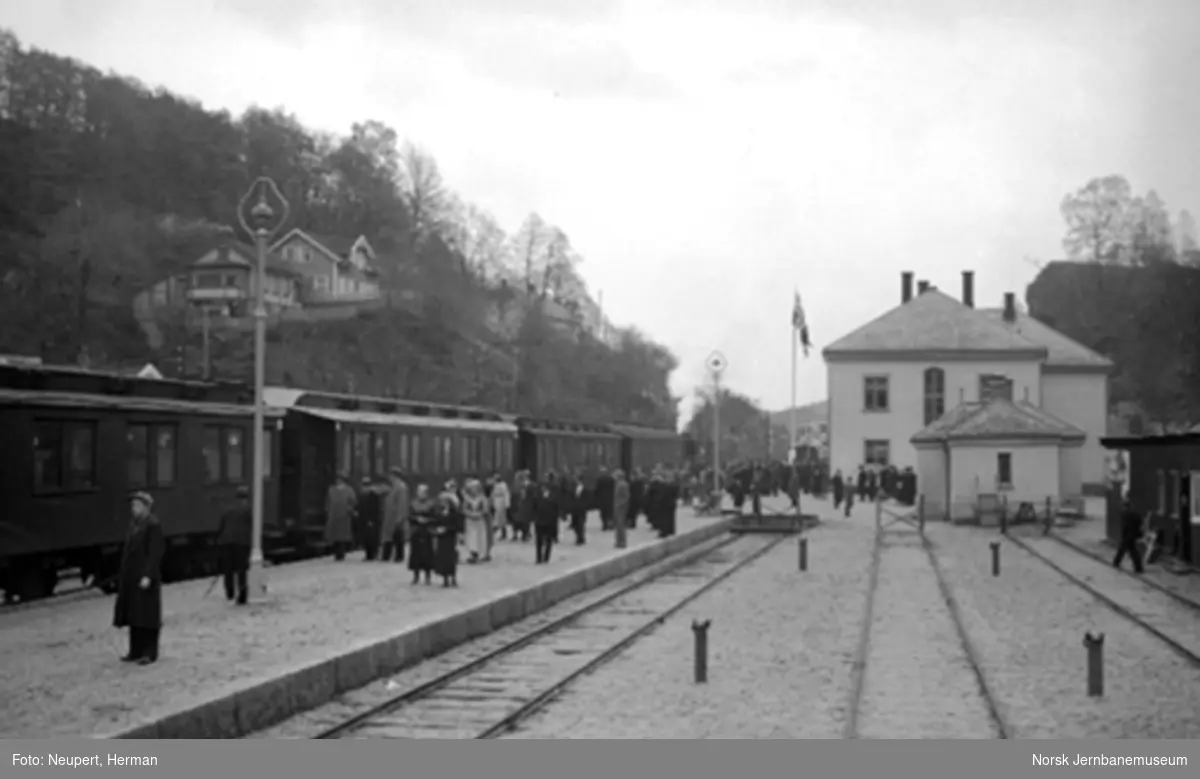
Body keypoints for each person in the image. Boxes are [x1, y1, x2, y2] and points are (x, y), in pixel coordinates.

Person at [113, 491, 164, 665]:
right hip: (132, 577)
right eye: (132, 505)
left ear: (146, 507)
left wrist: (148, 575)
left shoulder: (153, 525)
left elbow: (155, 553)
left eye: (136, 505)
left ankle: (149, 652)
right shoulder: (135, 525)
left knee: (147, 616)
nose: (133, 509)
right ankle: (135, 650)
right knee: (135, 615)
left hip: (145, 578)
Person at [215, 485, 251, 605]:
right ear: (246, 497)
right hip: (241, 543)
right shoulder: (247, 510)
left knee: (228, 569)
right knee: (241, 569)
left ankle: (229, 593)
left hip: (226, 542)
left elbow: (221, 526)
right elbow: (252, 527)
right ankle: (242, 594)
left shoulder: (228, 509)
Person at [433, 485, 463, 586]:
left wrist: (447, 529)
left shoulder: (454, 514)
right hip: (441, 538)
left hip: (450, 538)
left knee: (451, 558)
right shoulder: (439, 513)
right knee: (442, 558)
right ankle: (445, 578)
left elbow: (458, 526)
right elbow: (435, 523)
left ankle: (453, 577)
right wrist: (437, 530)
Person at [408, 484, 437, 584]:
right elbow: (409, 517)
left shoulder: (431, 504)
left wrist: (427, 520)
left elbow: (435, 518)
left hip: (427, 531)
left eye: (423, 492)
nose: (421, 494)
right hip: (416, 530)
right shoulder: (413, 503)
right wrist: (416, 519)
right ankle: (416, 576)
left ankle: (427, 577)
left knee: (427, 554)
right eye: (419, 491)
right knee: (416, 554)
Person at [324, 474, 356, 561]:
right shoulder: (331, 489)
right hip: (333, 514)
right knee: (334, 534)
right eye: (337, 479)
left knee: (342, 535)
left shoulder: (349, 490)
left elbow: (352, 501)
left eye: (340, 479)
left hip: (344, 515)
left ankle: (341, 553)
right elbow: (328, 501)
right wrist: (328, 511)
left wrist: (350, 509)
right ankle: (335, 552)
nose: (338, 480)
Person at [381, 467, 409, 563]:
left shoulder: (401, 487)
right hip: (389, 516)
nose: (389, 477)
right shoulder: (392, 487)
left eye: (391, 475)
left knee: (397, 536)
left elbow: (402, 503)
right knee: (388, 536)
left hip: (395, 516)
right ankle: (386, 554)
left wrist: (400, 517)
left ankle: (398, 555)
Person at [1112, 498, 1145, 574]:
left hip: (1127, 535)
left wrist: (1123, 535)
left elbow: (1124, 526)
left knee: (1125, 550)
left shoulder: (1124, 515)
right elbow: (1140, 524)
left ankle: (1117, 562)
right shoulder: (1136, 515)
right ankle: (1138, 567)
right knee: (1131, 550)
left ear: (1125, 507)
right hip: (1133, 535)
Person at [534, 474, 559, 564]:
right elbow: (534, 507)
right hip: (539, 521)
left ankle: (546, 557)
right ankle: (538, 557)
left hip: (549, 521)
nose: (542, 489)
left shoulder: (554, 497)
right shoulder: (537, 497)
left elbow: (556, 510)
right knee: (539, 540)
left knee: (548, 540)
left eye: (544, 487)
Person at [463, 479, 489, 563]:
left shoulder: (482, 498)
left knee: (479, 537)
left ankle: (479, 553)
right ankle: (473, 553)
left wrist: (480, 514)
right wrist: (470, 514)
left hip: (479, 521)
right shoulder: (467, 498)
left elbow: (486, 509)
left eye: (476, 488)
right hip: (470, 521)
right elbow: (464, 509)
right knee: (471, 537)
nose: (474, 490)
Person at [490, 472, 511, 547]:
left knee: (501, 519)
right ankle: (500, 532)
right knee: (497, 517)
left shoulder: (503, 485)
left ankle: (499, 532)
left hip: (502, 502)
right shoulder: (495, 485)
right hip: (497, 501)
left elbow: (506, 494)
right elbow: (493, 494)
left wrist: (507, 503)